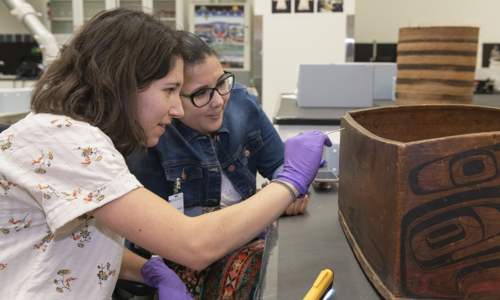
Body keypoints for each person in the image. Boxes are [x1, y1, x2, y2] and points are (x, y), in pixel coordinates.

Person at [0, 7, 331, 300]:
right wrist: (289, 181)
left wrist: (146, 270)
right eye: (170, 91)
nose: (176, 110)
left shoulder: (77, 137)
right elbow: (194, 245)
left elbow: (85, 236)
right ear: (123, 83)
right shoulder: (66, 143)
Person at [126, 30, 308, 218]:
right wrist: (262, 207)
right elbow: (156, 220)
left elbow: (279, 162)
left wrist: (289, 185)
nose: (219, 101)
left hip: (251, 231)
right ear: (173, 95)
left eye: (221, 83)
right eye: (201, 93)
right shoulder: (151, 134)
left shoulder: (244, 103)